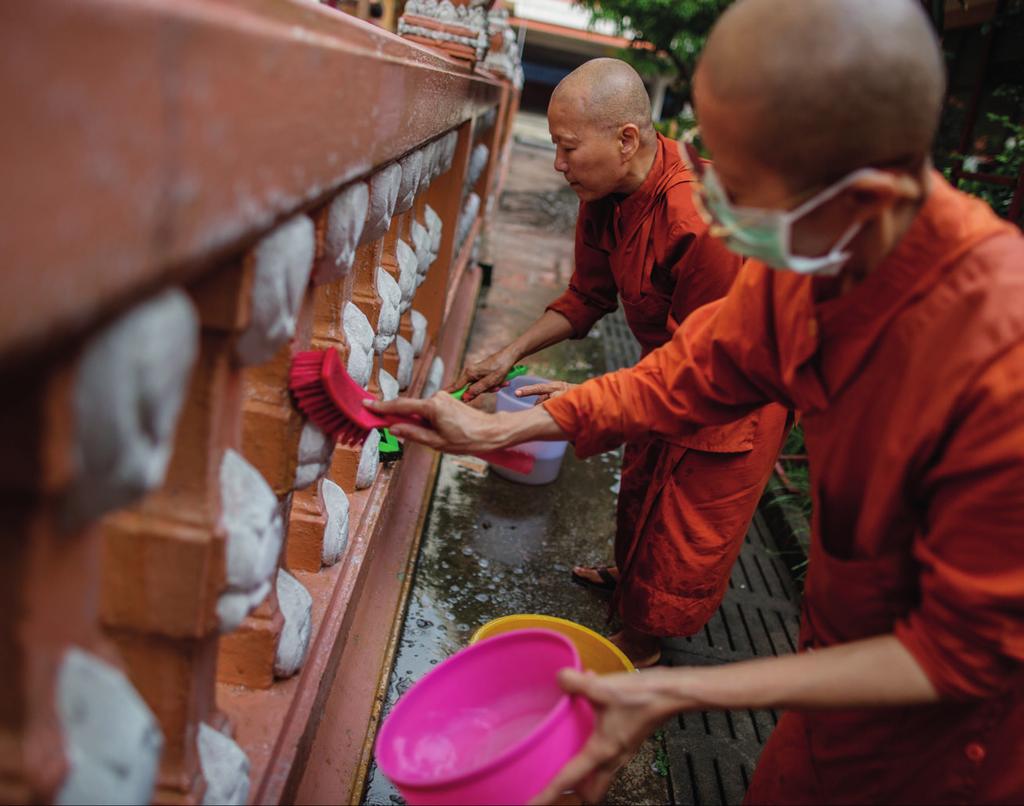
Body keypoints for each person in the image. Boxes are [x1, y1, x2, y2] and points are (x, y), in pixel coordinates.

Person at [371, 0, 1024, 802]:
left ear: (871, 190)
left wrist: (676, 690)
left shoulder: (1001, 362)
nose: (718, 210)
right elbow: (687, 372)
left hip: (956, 752)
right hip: (827, 701)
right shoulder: (816, 267)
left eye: (745, 192)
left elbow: (957, 655)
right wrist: (495, 426)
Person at [448, 57, 788, 666]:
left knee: (682, 524)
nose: (558, 164)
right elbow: (588, 294)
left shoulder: (701, 219)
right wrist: (510, 353)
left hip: (731, 396)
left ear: (626, 138)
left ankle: (641, 647)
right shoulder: (604, 191)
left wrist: (585, 399)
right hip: (665, 370)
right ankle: (629, 577)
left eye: (568, 148)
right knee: (640, 486)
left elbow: (698, 371)